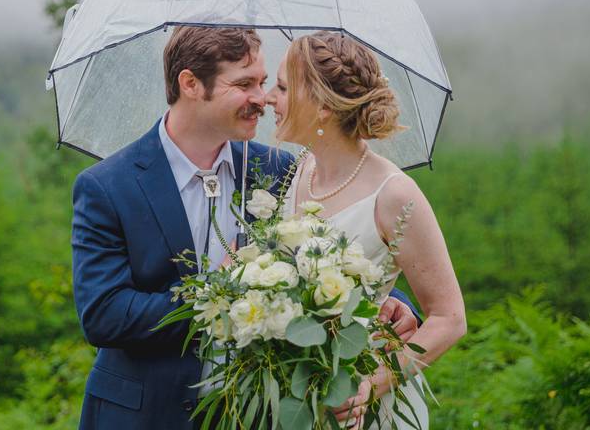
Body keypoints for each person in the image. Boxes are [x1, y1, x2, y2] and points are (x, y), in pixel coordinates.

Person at [72, 26, 421, 429]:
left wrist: (391, 301)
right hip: (142, 416)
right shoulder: (107, 186)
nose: (262, 98)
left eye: (263, 81)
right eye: (244, 84)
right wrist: (215, 295)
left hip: (254, 415)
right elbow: (103, 314)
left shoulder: (279, 169)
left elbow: (318, 258)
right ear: (190, 84)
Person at [265, 31, 467, 429]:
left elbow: (450, 318)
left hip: (358, 403)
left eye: (283, 87)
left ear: (321, 106)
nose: (269, 97)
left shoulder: (393, 194)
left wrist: (370, 385)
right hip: (295, 394)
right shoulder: (299, 169)